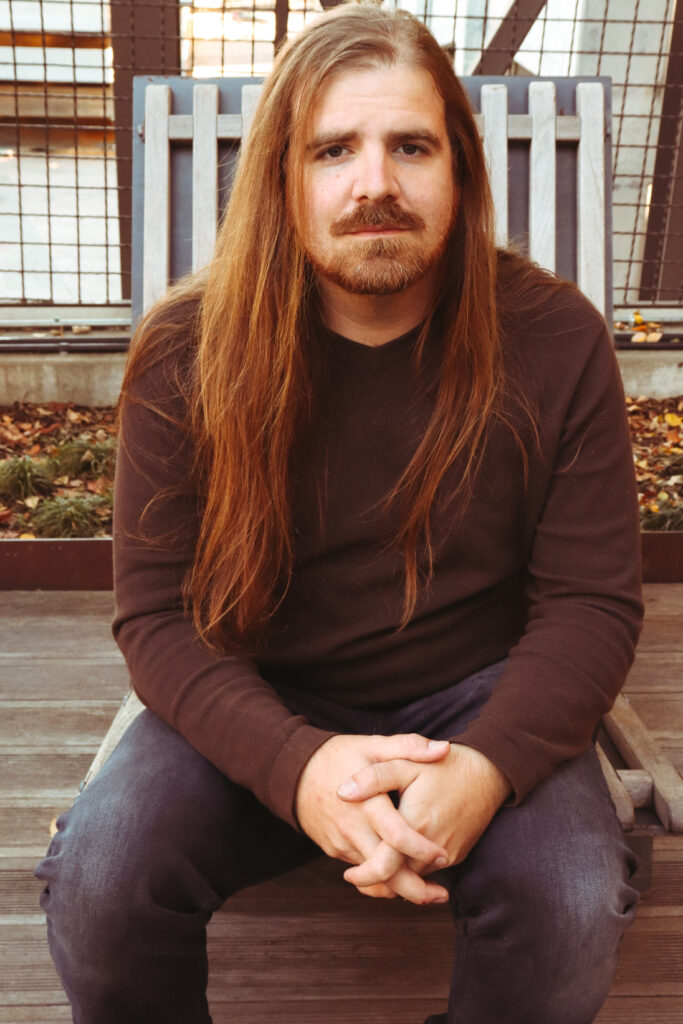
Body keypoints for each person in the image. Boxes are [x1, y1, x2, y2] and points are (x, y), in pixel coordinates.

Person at [35, 4, 643, 1022]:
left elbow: (589, 604)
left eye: (410, 146)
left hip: (476, 701)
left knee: (574, 901)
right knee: (100, 883)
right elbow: (157, 619)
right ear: (282, 176)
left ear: (458, 170)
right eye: (333, 150)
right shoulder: (186, 350)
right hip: (255, 687)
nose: (374, 185)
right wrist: (298, 764)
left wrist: (489, 768)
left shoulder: (552, 338)